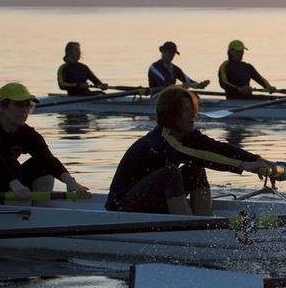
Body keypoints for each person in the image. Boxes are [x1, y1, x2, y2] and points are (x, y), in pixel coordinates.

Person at [105, 86, 273, 214]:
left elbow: (216, 148)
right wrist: (243, 165)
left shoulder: (187, 135)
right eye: (187, 111)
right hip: (121, 206)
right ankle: (188, 229)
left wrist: (257, 160)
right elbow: (202, 156)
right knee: (171, 172)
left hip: (151, 200)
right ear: (171, 115)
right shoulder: (159, 142)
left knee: (195, 169)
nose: (193, 114)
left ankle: (204, 224)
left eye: (193, 109)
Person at [0, 82, 89, 199]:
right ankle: (22, 209)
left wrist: (70, 181)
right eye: (19, 105)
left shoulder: (27, 133)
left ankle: (39, 211)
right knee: (11, 163)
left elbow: (48, 159)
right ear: (2, 107)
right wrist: (16, 184)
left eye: (28, 105)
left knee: (41, 165)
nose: (24, 110)